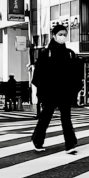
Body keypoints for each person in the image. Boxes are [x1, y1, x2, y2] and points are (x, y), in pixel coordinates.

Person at [30, 22, 81, 152]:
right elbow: (38, 75)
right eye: (60, 34)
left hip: (65, 92)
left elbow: (76, 74)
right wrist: (42, 90)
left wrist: (75, 89)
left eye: (65, 34)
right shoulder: (45, 53)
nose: (63, 37)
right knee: (45, 118)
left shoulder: (70, 54)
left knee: (66, 119)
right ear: (54, 35)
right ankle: (37, 141)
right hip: (50, 92)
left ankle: (70, 144)